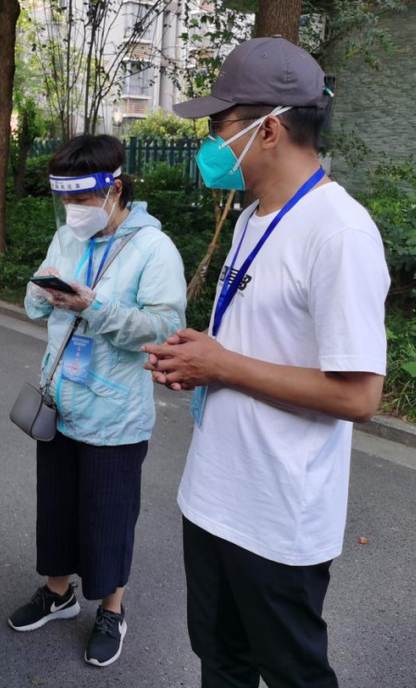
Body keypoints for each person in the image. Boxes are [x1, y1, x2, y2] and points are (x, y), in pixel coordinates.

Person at [143, 37, 391, 687]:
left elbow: (359, 396)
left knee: (292, 675)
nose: (211, 142)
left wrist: (222, 366)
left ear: (270, 129)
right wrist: (196, 355)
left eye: (219, 125)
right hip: (214, 497)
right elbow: (254, 344)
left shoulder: (339, 232)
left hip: (279, 520)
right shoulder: (254, 215)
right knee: (220, 663)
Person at [9, 134, 187, 668]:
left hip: (115, 414)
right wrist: (44, 293)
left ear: (115, 189)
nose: (74, 210)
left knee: (108, 516)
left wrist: (93, 307)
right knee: (56, 508)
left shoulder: (154, 248)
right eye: (66, 199)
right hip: (60, 403)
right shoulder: (67, 236)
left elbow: (164, 327)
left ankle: (111, 609)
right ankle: (58, 594)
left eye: (83, 199)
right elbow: (34, 307)